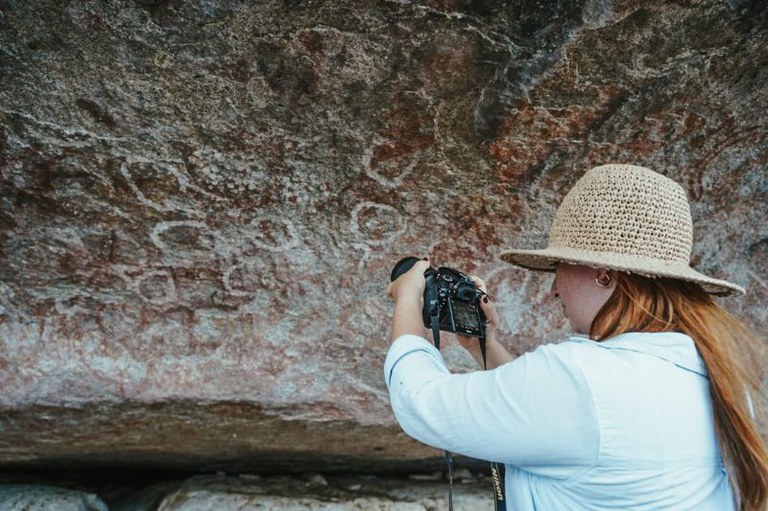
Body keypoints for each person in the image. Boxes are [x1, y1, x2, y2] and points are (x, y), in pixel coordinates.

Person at [384, 164, 768, 510]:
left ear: (603, 274)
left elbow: (421, 404)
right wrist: (481, 344)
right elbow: (563, 421)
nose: (554, 288)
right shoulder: (711, 374)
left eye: (561, 266)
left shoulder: (583, 377)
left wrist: (408, 298)